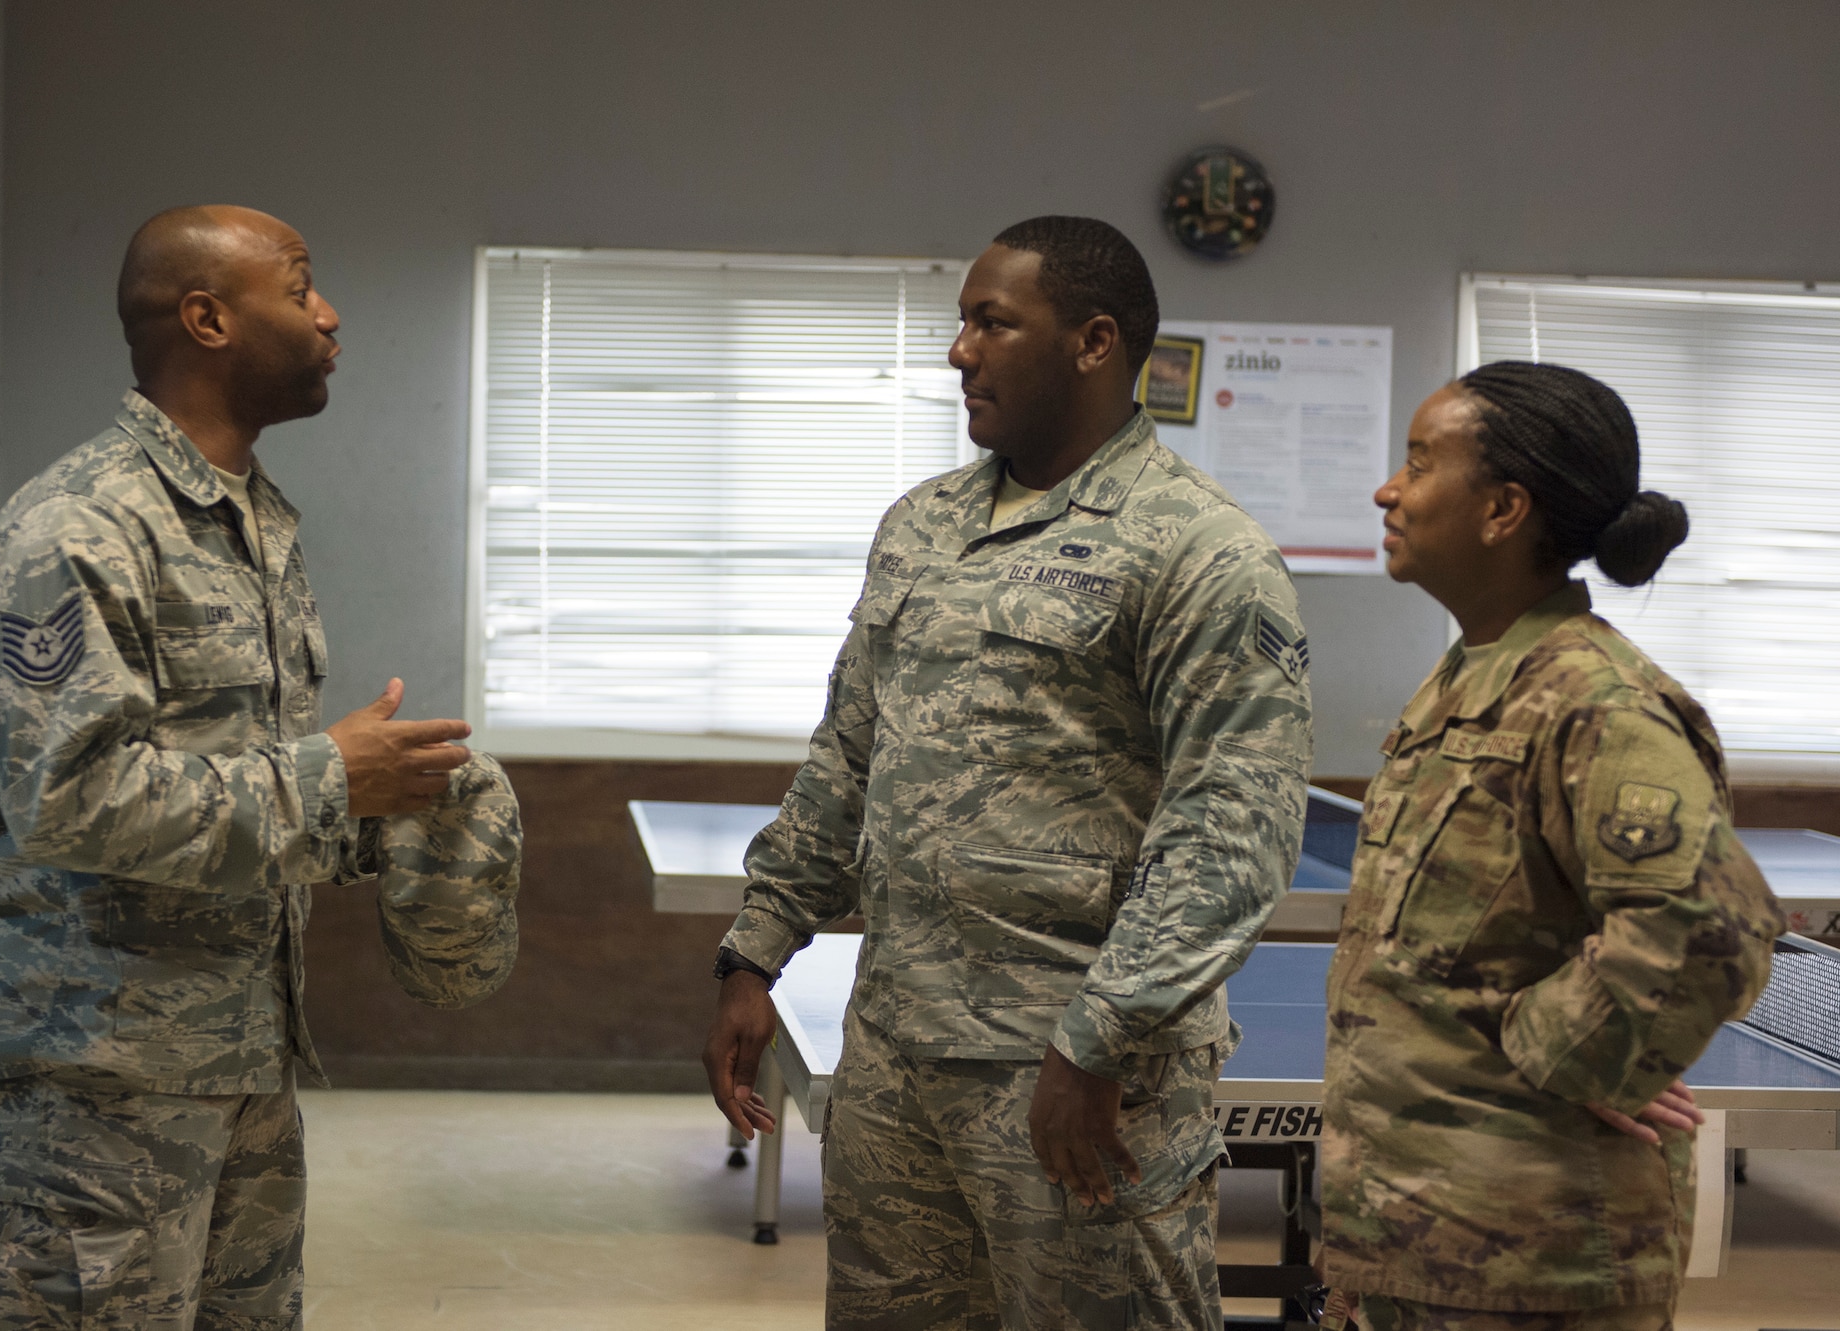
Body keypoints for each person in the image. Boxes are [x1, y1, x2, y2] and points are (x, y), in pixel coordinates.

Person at [703, 216, 1314, 1329]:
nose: (958, 351)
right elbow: (848, 750)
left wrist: (1098, 1037)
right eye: (958, 322)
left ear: (1091, 341)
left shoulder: (1198, 549)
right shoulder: (921, 525)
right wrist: (757, 946)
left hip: (1073, 1074)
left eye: (992, 322)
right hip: (895, 1058)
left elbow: (1232, 828)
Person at [0, 205, 519, 1328]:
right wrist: (325, 777)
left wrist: (390, 798)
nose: (329, 312)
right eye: (301, 288)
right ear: (208, 317)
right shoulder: (76, 526)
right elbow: (68, 798)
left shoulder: (249, 520)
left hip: (241, 1053)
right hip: (96, 1079)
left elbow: (234, 793)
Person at [1317, 362, 1786, 1331]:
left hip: (1529, 1265)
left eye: (1416, 461)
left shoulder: (1593, 701)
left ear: (1501, 508)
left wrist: (1573, 1054)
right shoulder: (1472, 678)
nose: (1386, 488)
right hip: (1412, 1237)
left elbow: (1701, 924)